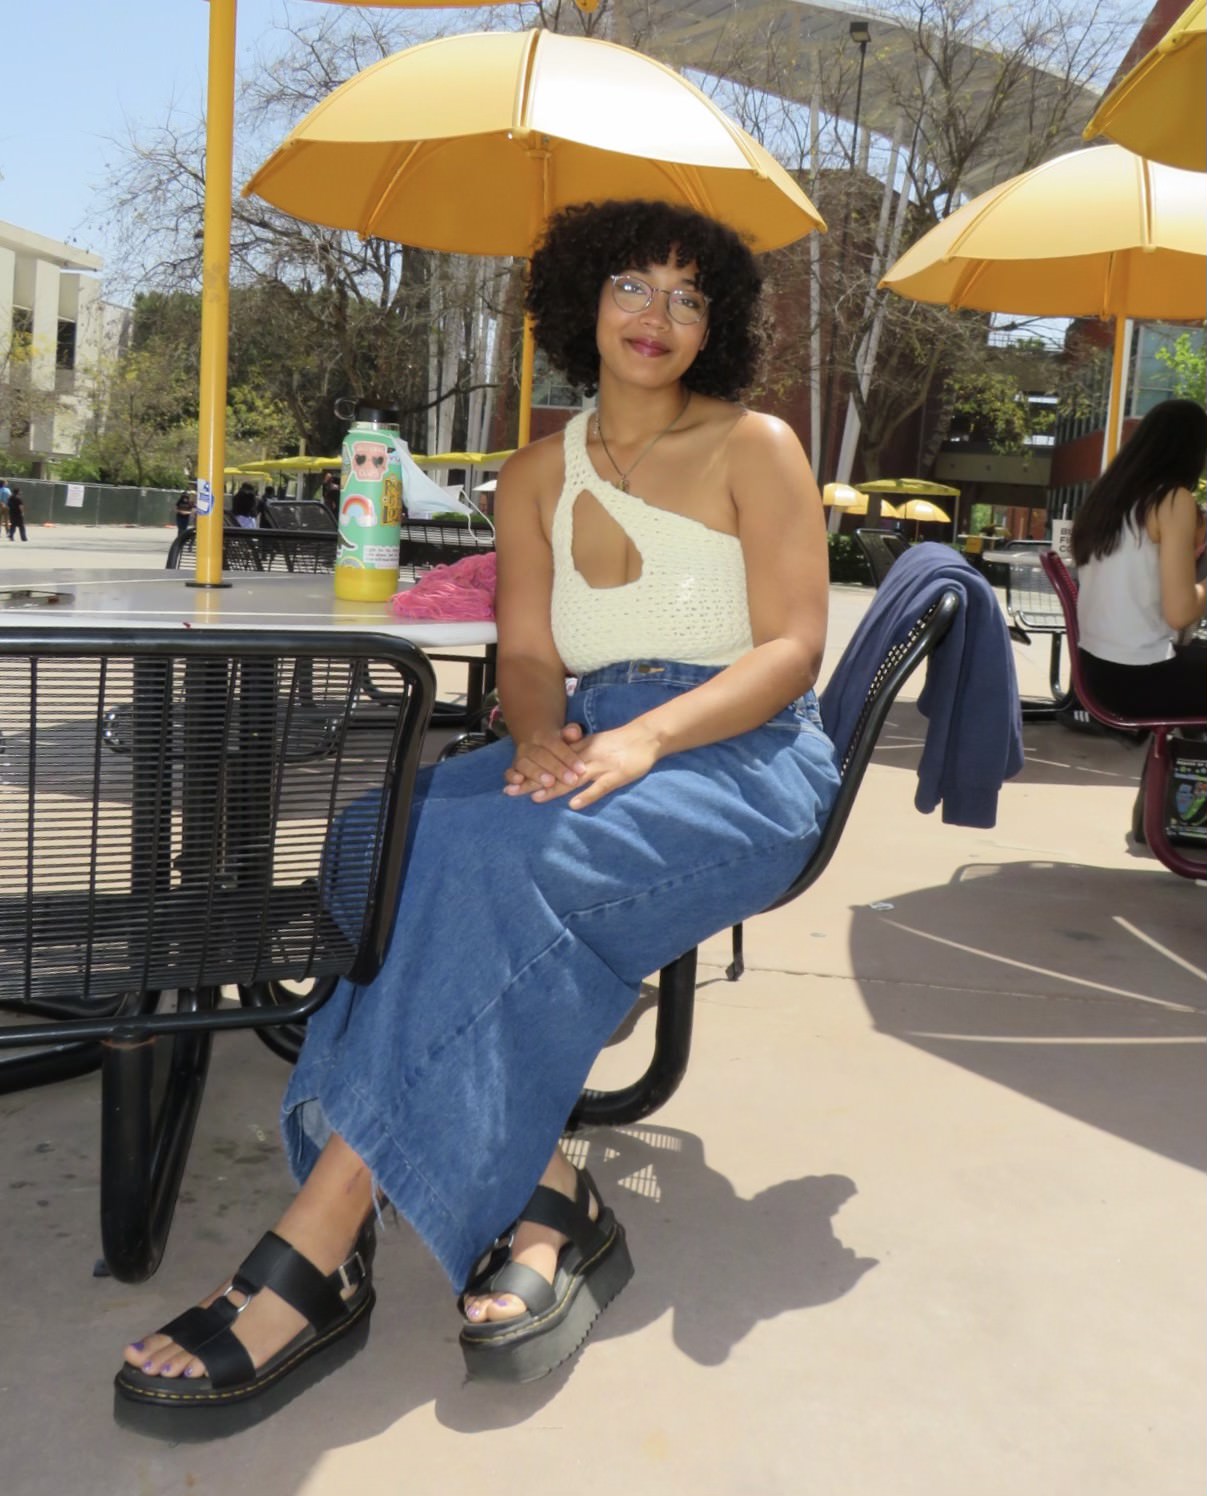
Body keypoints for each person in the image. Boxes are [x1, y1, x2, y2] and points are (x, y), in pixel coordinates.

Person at [115, 199, 840, 1439]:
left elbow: (793, 647)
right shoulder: (535, 474)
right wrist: (545, 729)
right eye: (630, 285)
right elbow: (527, 653)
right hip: (586, 735)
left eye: (686, 296)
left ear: (713, 324)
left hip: (735, 753)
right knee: (371, 838)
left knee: (470, 864)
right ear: (580, 305)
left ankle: (322, 1240)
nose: (655, 317)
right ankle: (545, 1182)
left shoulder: (753, 443)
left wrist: (644, 735)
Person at [1071, 398, 1206, 719]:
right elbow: (1181, 613)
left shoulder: (1108, 498)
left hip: (1097, 673)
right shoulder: (1172, 499)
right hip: (1141, 677)